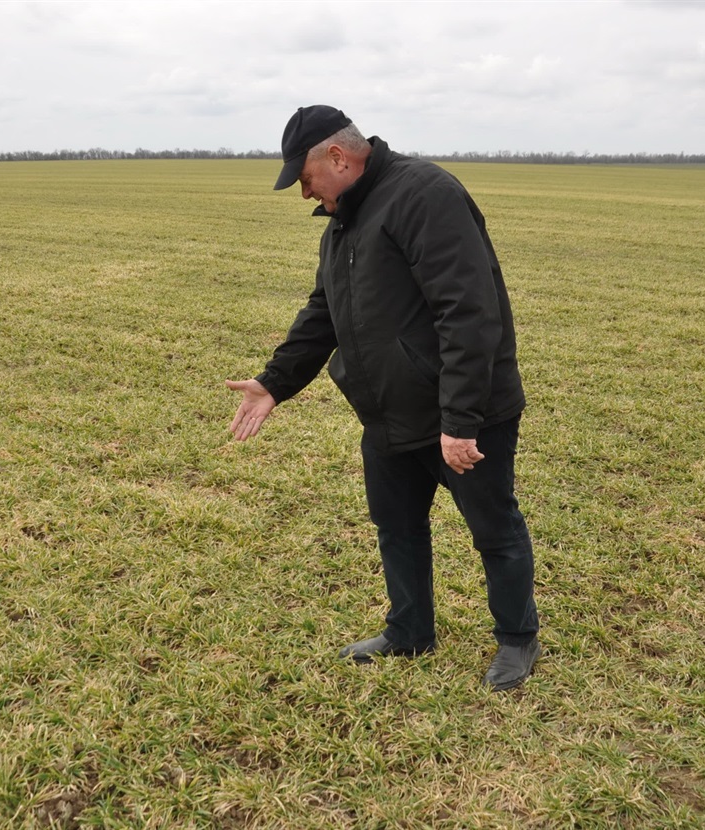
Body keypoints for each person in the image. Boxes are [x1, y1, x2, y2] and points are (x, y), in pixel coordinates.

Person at [226, 105, 540, 692]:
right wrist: (275, 383)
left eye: (305, 178)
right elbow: (325, 312)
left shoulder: (423, 195)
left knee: (492, 526)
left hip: (461, 414)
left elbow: (468, 309)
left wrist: (461, 419)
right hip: (391, 412)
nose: (304, 193)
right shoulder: (344, 222)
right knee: (396, 525)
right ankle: (409, 630)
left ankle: (518, 639)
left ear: (338, 158)